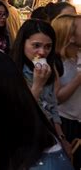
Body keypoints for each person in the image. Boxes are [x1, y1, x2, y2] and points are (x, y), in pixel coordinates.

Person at [10, 19, 71, 154]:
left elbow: (52, 105)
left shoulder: (47, 69)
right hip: (24, 137)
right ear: (23, 43)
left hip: (48, 133)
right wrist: (37, 85)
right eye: (36, 45)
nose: (42, 52)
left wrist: (61, 137)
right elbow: (20, 113)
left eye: (48, 47)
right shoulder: (11, 71)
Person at [52, 14, 81, 169]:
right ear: (70, 36)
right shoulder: (56, 62)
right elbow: (57, 98)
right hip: (66, 123)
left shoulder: (78, 55)